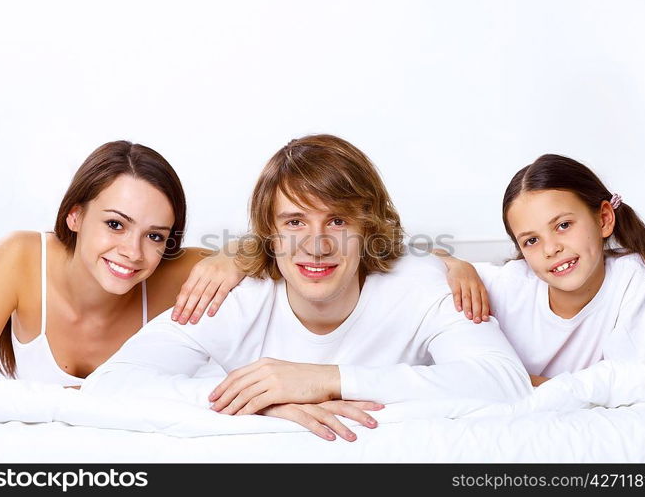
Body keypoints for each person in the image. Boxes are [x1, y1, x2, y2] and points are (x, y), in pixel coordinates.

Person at [82, 134, 532, 441]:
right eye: (295, 222)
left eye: (336, 220)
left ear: (366, 227)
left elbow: (506, 383)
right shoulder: (236, 300)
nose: (316, 246)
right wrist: (257, 401)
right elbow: (110, 385)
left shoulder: (421, 284)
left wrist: (327, 381)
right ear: (270, 234)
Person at [0, 141, 244, 386]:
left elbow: (271, 247)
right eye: (115, 224)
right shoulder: (21, 257)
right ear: (75, 216)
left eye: (154, 235)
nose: (133, 252)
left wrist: (234, 257)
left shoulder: (174, 274)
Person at [437, 154, 645, 386]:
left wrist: (517, 382)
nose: (551, 249)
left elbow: (632, 381)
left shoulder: (634, 278)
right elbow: (421, 261)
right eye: (531, 240)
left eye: (563, 225)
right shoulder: (512, 283)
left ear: (603, 219)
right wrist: (455, 264)